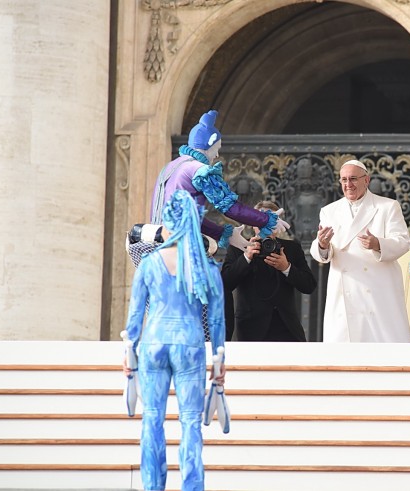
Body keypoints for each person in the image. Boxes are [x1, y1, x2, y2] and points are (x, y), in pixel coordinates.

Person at [123, 190, 226, 491]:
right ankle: (192, 486)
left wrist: (129, 351)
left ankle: (152, 486)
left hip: (154, 343)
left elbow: (135, 314)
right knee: (191, 422)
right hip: (190, 345)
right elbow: (216, 321)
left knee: (151, 419)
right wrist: (219, 361)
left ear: (167, 225)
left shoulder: (149, 263)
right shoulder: (206, 266)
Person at [150, 109, 289, 250]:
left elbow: (191, 217)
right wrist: (266, 220)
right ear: (209, 144)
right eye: (217, 148)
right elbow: (230, 207)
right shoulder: (199, 170)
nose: (216, 154)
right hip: (182, 249)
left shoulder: (170, 168)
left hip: (160, 246)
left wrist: (224, 234)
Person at [309, 159, 410, 342]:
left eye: (354, 179)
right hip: (344, 292)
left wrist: (378, 244)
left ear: (367, 180)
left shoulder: (387, 207)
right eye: (344, 180)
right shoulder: (329, 211)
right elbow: (322, 252)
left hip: (377, 291)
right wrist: (322, 245)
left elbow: (403, 241)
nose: (349, 184)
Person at [222, 200, 317, 342]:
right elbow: (226, 283)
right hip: (250, 330)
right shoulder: (240, 247)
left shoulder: (292, 248)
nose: (264, 226)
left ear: (278, 224)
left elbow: (309, 285)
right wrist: (246, 257)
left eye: (269, 221)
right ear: (252, 223)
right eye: (258, 221)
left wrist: (286, 267)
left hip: (287, 328)